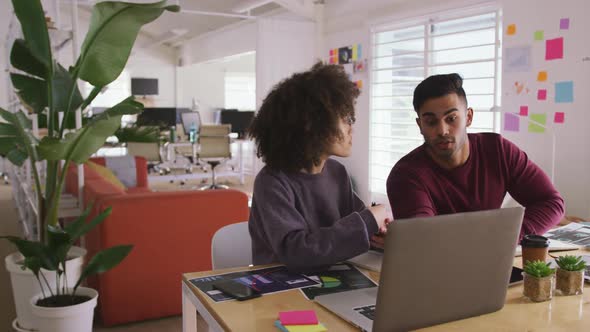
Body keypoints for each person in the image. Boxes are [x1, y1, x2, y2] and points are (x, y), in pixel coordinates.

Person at [248, 62, 391, 271]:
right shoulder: (272, 182)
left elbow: (354, 231)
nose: (351, 128)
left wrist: (378, 234)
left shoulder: (337, 172)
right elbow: (296, 251)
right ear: (312, 124)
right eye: (345, 119)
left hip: (331, 279)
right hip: (281, 288)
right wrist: (367, 221)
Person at [386, 73, 564, 240]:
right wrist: (489, 241)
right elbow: (424, 237)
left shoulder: (498, 150)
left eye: (451, 118)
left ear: (468, 117)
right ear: (420, 125)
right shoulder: (405, 176)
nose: (442, 130)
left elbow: (551, 202)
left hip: (493, 260)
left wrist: (507, 239)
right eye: (431, 122)